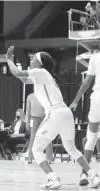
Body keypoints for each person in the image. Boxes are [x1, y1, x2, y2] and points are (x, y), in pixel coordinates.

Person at [6, 46, 100, 189]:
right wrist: (15, 67)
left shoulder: (40, 71)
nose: (30, 61)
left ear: (39, 63)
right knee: (72, 149)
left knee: (36, 150)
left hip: (54, 113)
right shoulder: (42, 74)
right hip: (66, 113)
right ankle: (93, 175)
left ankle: (53, 178)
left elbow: (18, 72)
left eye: (33, 59)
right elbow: (23, 79)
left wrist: (8, 59)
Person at [70, 51, 100, 186]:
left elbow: (87, 82)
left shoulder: (95, 57)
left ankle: (84, 174)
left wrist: (76, 100)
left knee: (91, 137)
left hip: (97, 100)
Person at [25, 90, 53, 164]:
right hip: (34, 118)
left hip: (45, 118)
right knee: (32, 137)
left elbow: (50, 108)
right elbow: (27, 110)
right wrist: (27, 122)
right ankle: (30, 158)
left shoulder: (46, 95)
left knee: (47, 137)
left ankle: (49, 159)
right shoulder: (30, 96)